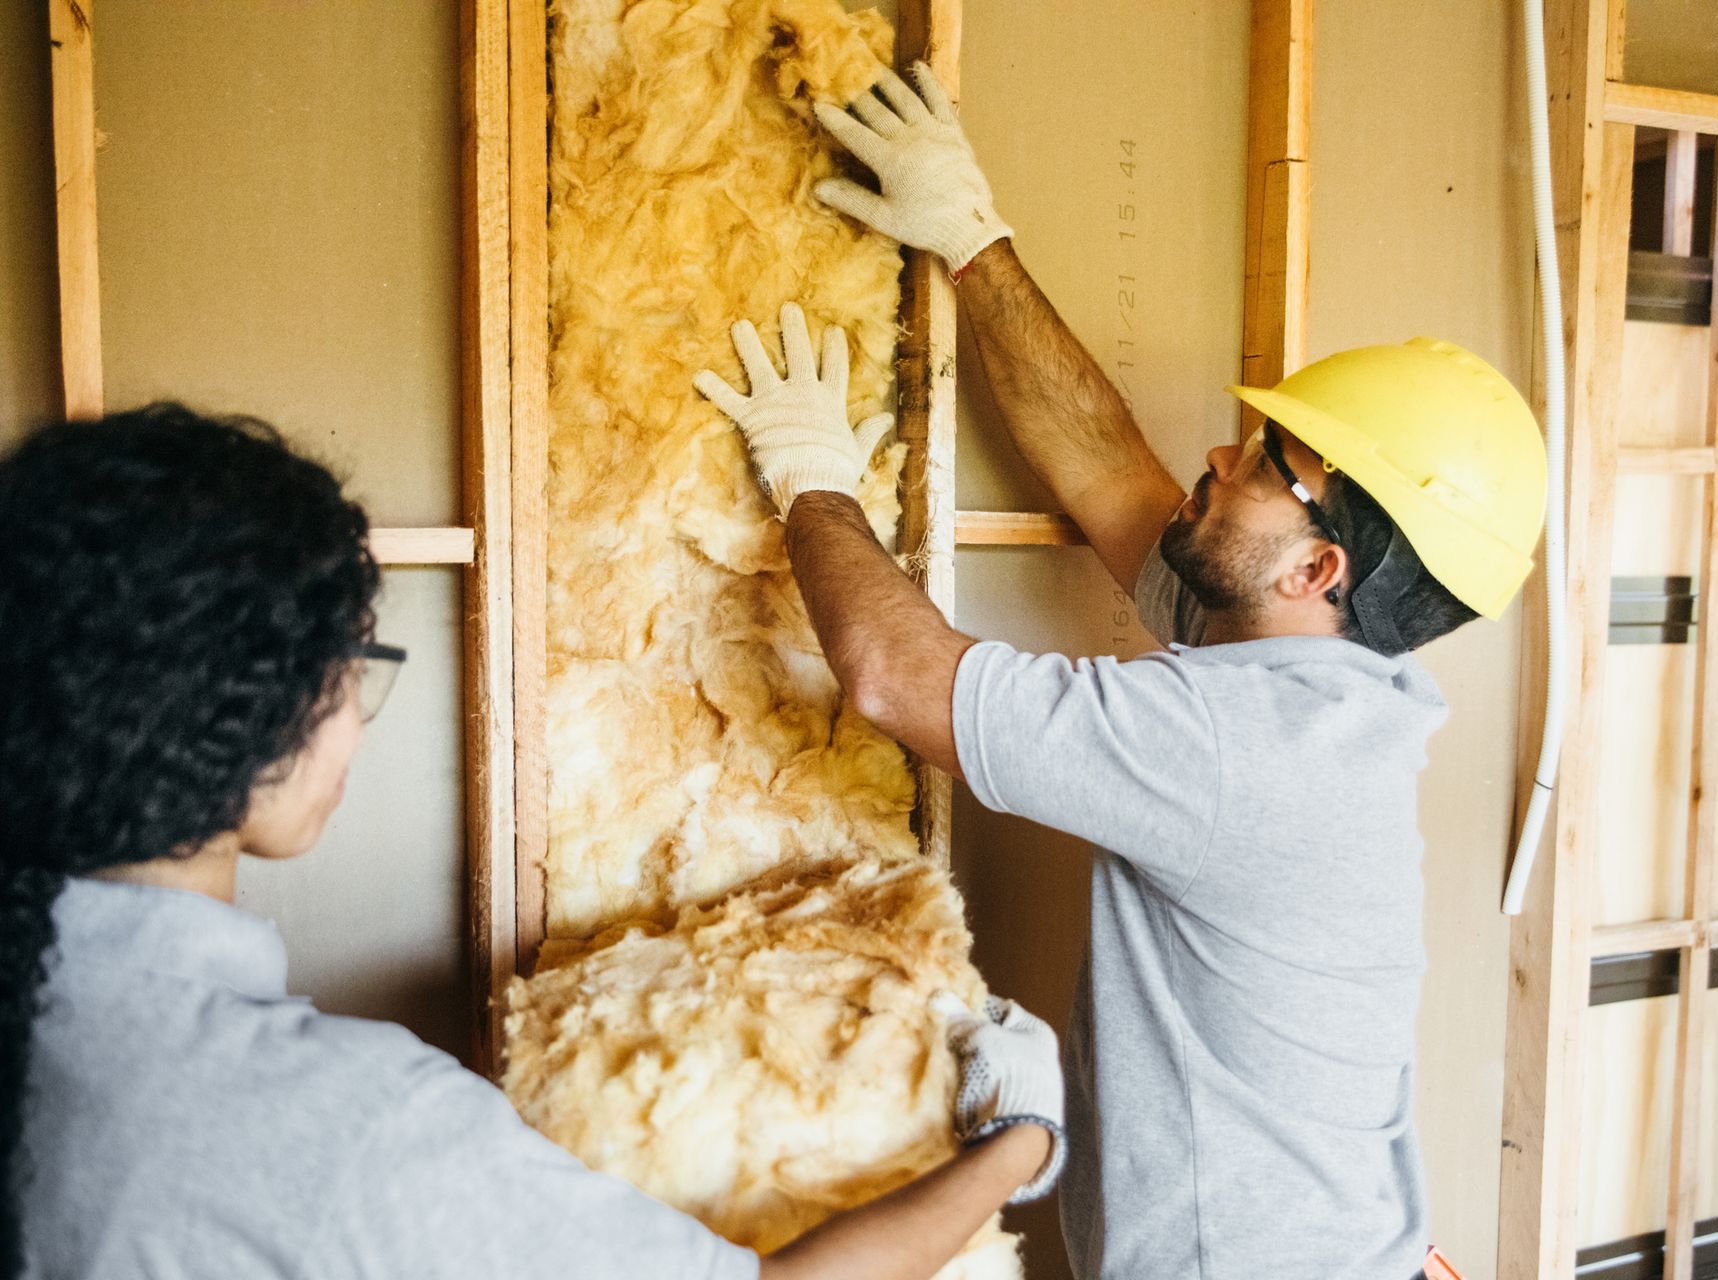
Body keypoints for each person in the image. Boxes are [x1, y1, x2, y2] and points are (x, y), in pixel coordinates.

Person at [693, 65, 1548, 1280]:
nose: (1220, 451)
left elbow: (890, 672)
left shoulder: (1225, 743)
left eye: (1264, 463)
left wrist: (811, 474)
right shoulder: (1325, 687)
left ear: (1318, 568)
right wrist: (972, 240)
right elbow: (1110, 475)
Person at [0, 404, 1065, 1280]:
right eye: (350, 666)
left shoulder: (55, 1013)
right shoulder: (330, 1120)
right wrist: (1018, 1136)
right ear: (244, 708)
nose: (352, 715)